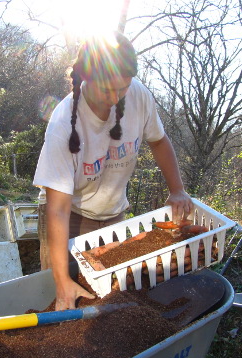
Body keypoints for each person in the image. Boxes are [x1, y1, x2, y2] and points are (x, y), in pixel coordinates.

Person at [33, 31, 193, 311]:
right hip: (69, 217)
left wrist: (177, 189)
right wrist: (61, 282)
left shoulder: (139, 96)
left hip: (113, 215)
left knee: (111, 299)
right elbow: (57, 209)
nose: (115, 97)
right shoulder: (62, 125)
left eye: (122, 88)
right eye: (107, 89)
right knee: (65, 299)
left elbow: (158, 140)